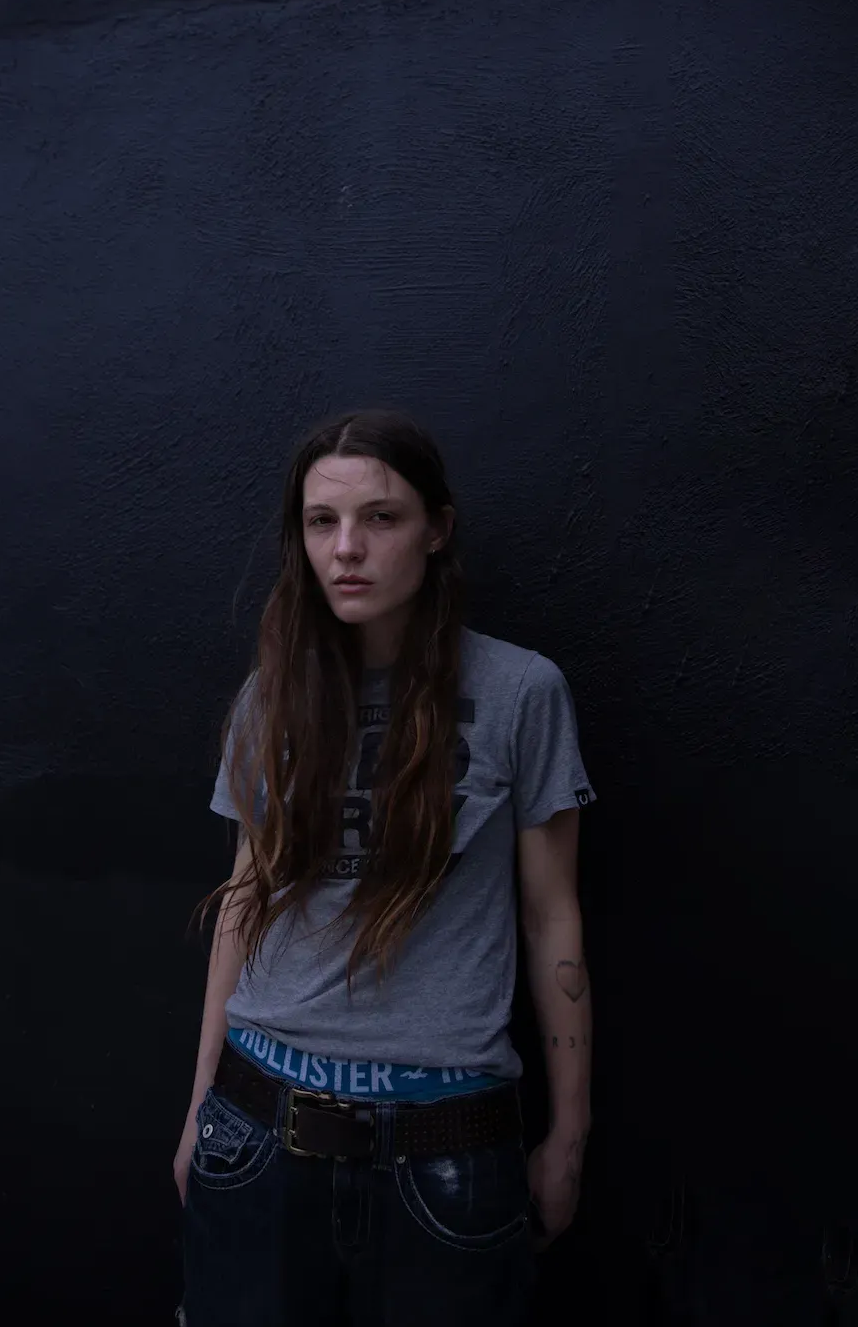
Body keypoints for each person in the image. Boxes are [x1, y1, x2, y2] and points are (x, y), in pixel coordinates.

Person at [173, 408, 595, 1327]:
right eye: (321, 522)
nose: (347, 549)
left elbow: (551, 916)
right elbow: (245, 901)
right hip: (257, 1131)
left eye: (381, 517)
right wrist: (201, 1103)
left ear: (437, 530)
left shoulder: (522, 692)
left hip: (448, 1153)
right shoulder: (270, 697)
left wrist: (569, 1133)